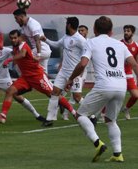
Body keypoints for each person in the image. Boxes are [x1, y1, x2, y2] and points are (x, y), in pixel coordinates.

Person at [65, 16, 138, 162]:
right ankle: (118, 154)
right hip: (121, 85)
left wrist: (71, 78)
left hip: (104, 85)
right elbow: (134, 65)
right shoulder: (120, 45)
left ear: (94, 29)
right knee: (111, 120)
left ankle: (98, 143)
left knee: (80, 115)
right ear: (111, 31)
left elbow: (83, 64)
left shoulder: (91, 42)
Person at [0, 29, 73, 124]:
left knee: (53, 95)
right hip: (26, 78)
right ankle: (3, 115)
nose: (13, 40)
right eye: (11, 38)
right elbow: (25, 56)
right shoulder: (15, 47)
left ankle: (74, 113)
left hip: (37, 77)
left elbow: (23, 54)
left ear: (20, 37)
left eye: (15, 38)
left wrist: (9, 60)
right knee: (10, 91)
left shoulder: (23, 45)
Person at [41, 17, 86, 126]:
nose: (65, 25)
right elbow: (57, 44)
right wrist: (45, 40)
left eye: (66, 24)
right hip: (63, 72)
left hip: (74, 73)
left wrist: (81, 71)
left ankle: (92, 115)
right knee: (54, 92)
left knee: (77, 97)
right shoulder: (66, 37)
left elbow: (87, 55)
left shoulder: (80, 39)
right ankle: (49, 119)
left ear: (69, 25)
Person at [13, 9, 52, 74]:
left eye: (16, 18)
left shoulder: (33, 25)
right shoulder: (24, 26)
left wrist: (38, 55)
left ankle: (24, 79)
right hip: (40, 50)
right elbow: (23, 38)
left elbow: (38, 40)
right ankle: (45, 83)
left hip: (42, 49)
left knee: (19, 59)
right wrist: (16, 48)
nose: (16, 21)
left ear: (22, 16)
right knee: (43, 74)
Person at [120, 25, 138, 120]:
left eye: (128, 31)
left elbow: (136, 63)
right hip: (118, 74)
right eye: (125, 30)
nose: (126, 32)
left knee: (135, 95)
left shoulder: (136, 46)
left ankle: (126, 108)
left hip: (128, 74)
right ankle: (102, 113)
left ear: (132, 33)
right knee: (113, 95)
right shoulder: (119, 43)